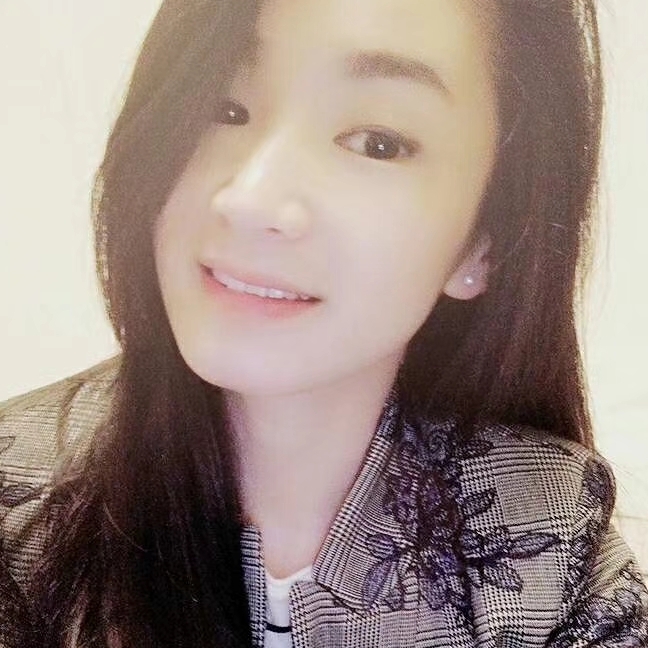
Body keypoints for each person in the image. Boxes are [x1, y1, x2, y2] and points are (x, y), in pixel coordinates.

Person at [0, 0, 646, 646]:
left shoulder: (549, 534)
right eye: (224, 108)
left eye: (377, 143)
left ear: (483, 243)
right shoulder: (15, 509)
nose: (249, 199)